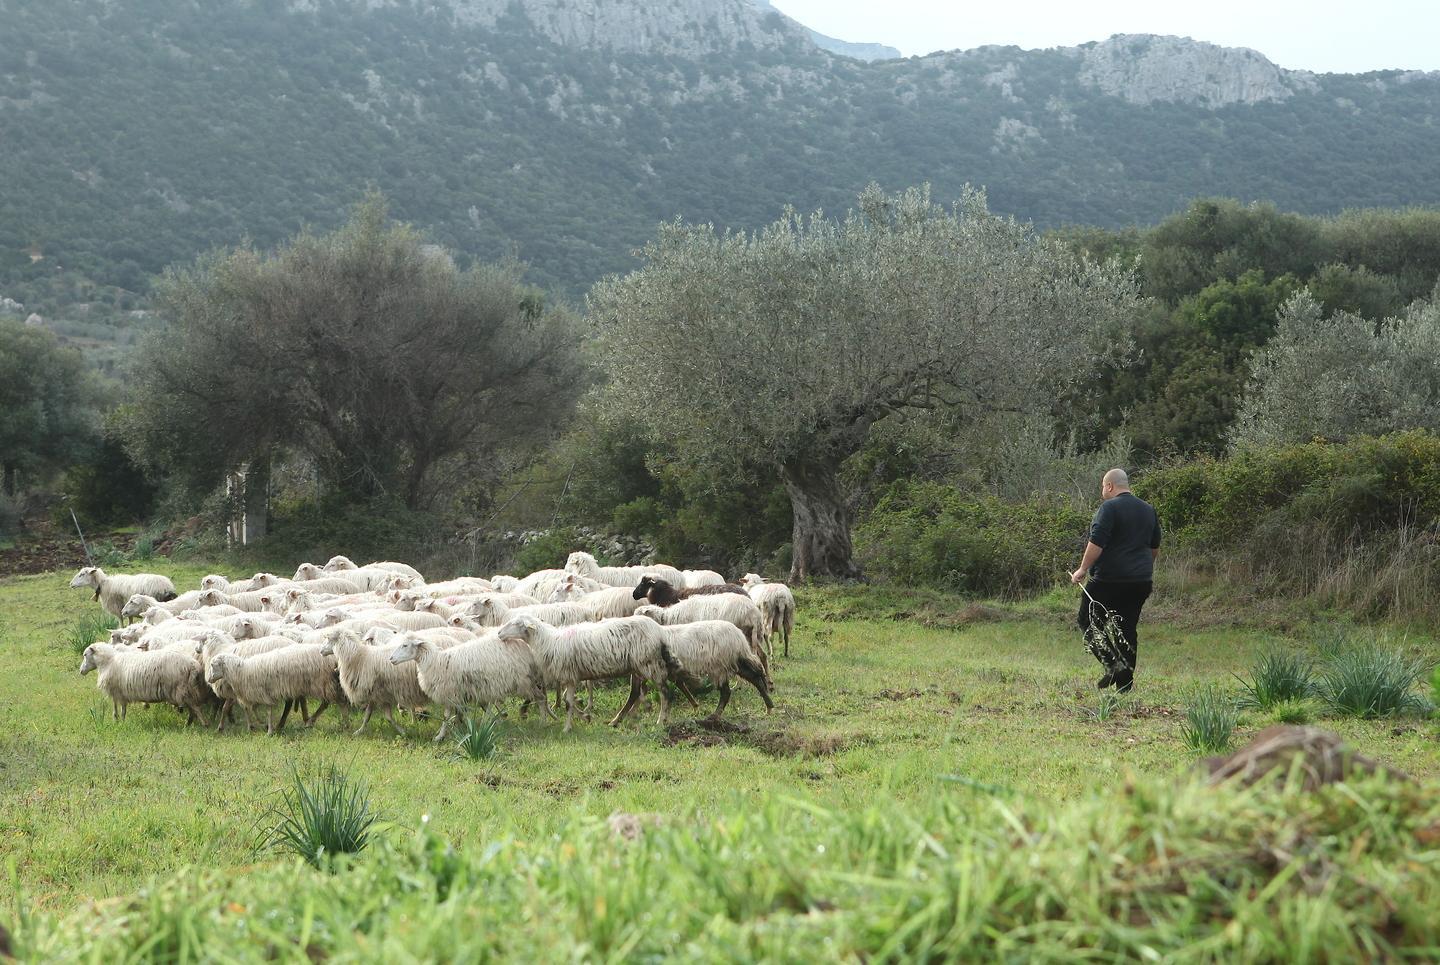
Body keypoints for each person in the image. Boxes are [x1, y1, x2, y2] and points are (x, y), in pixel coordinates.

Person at [1070, 468, 1160, 693]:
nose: (1102, 490)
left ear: (1110, 486)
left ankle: (1113, 665)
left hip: (1109, 581)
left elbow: (1097, 542)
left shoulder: (1109, 508)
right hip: (1140, 581)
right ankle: (1125, 686)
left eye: (1103, 486)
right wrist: (1141, 569)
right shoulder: (1148, 510)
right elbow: (1154, 547)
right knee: (1127, 628)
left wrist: (1082, 569)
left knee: (1088, 621)